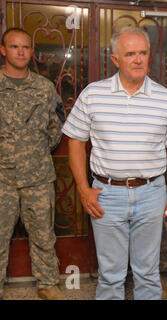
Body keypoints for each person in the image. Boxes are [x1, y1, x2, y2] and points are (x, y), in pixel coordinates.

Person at [62, 26, 167, 300]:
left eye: (143, 53)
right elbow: (75, 142)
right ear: (115, 59)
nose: (138, 59)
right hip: (106, 195)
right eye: (130, 53)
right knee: (111, 275)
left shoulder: (165, 99)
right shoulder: (93, 95)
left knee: (148, 272)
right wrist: (84, 191)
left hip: (152, 194)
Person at [0, 28, 65, 300]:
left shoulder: (44, 88)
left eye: (26, 47)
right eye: (15, 47)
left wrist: (34, 152)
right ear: (3, 50)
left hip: (37, 177)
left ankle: (48, 284)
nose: (21, 52)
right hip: (1, 179)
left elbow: (56, 126)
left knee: (43, 235)